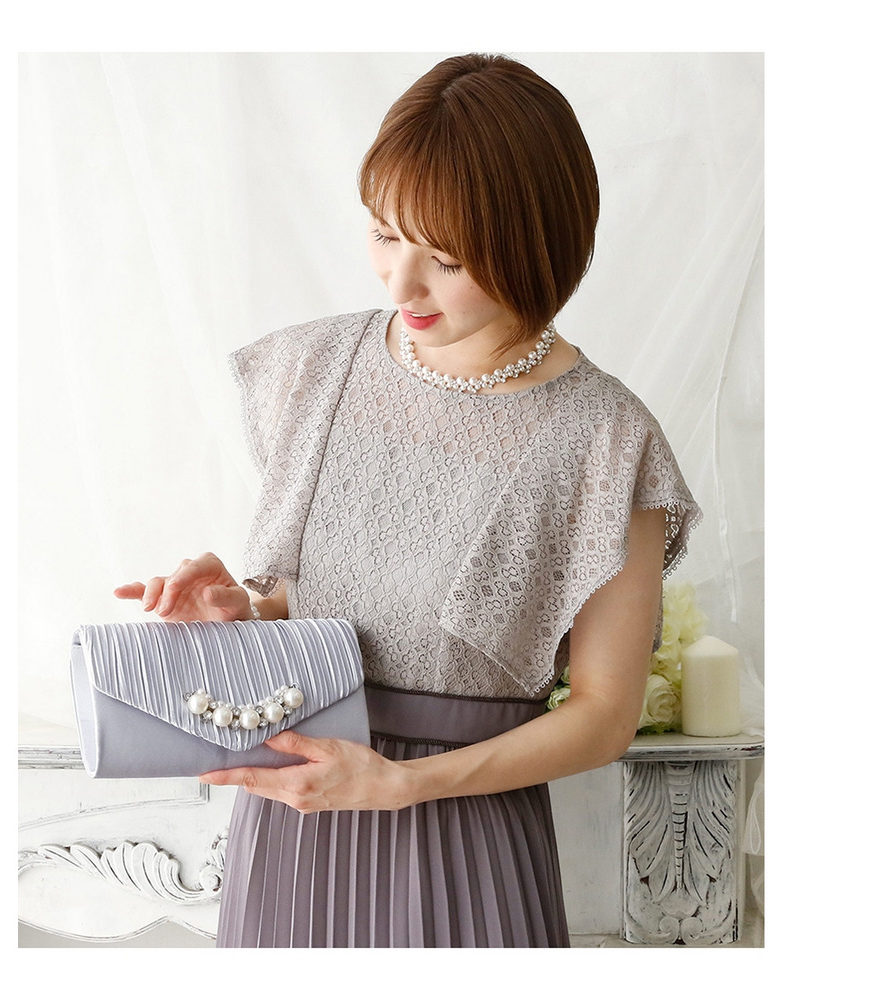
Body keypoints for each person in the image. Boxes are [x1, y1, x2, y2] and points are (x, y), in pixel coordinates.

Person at [115, 53, 700, 948]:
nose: (399, 285)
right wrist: (240, 616)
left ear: (536, 243)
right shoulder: (310, 372)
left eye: (446, 259)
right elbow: (315, 613)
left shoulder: (607, 442)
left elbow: (603, 715)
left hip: (465, 836)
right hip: (295, 821)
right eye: (385, 235)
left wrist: (403, 785)